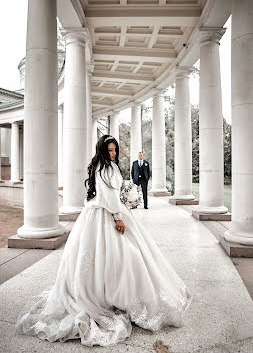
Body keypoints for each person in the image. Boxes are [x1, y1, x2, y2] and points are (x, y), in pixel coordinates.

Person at [15, 135, 192, 347]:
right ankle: (113, 296)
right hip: (108, 214)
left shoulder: (101, 166)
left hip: (97, 213)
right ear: (102, 150)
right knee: (124, 256)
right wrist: (118, 217)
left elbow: (105, 194)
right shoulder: (106, 168)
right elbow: (108, 196)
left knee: (116, 256)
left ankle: (110, 293)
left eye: (115, 150)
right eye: (110, 150)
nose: (113, 153)